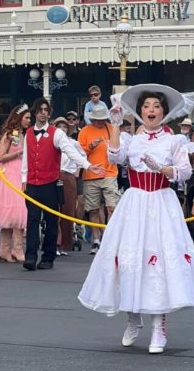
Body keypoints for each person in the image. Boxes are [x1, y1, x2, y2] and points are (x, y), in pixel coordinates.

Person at [78, 83, 194, 354]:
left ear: (164, 111)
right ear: (140, 111)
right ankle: (132, 318)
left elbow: (186, 172)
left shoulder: (174, 140)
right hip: (135, 202)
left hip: (162, 202)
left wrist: (162, 168)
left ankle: (158, 327)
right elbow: (114, 157)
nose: (151, 110)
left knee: (158, 263)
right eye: (146, 106)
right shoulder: (132, 139)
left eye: (156, 106)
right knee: (129, 259)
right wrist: (115, 127)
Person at [21, 97, 100, 271]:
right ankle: (31, 256)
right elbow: (26, 158)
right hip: (33, 183)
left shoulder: (56, 133)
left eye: (46, 110)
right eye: (40, 110)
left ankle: (48, 256)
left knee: (51, 220)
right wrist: (23, 180)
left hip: (50, 183)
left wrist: (87, 165)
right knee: (32, 221)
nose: (43, 113)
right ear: (35, 112)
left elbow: (70, 151)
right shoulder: (28, 133)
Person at [0, 104, 31, 263]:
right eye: (26, 118)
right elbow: (1, 156)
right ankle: (13, 248)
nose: (29, 121)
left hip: (21, 174)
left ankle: (7, 249)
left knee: (15, 213)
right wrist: (18, 152)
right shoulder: (10, 135)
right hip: (9, 174)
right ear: (19, 118)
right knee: (14, 211)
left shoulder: (24, 134)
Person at [78, 104, 120, 254]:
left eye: (103, 119)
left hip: (109, 172)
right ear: (93, 119)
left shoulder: (112, 128)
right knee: (93, 209)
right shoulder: (84, 131)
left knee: (111, 207)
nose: (100, 122)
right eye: (97, 119)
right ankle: (96, 241)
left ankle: (111, 239)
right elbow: (78, 154)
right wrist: (90, 146)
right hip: (90, 175)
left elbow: (119, 148)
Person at [52, 115, 83, 255]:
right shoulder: (51, 143)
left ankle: (65, 244)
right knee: (54, 211)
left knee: (68, 210)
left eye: (65, 127)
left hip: (68, 176)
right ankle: (54, 243)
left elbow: (82, 156)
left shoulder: (73, 143)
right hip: (53, 176)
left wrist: (77, 171)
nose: (63, 129)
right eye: (60, 127)